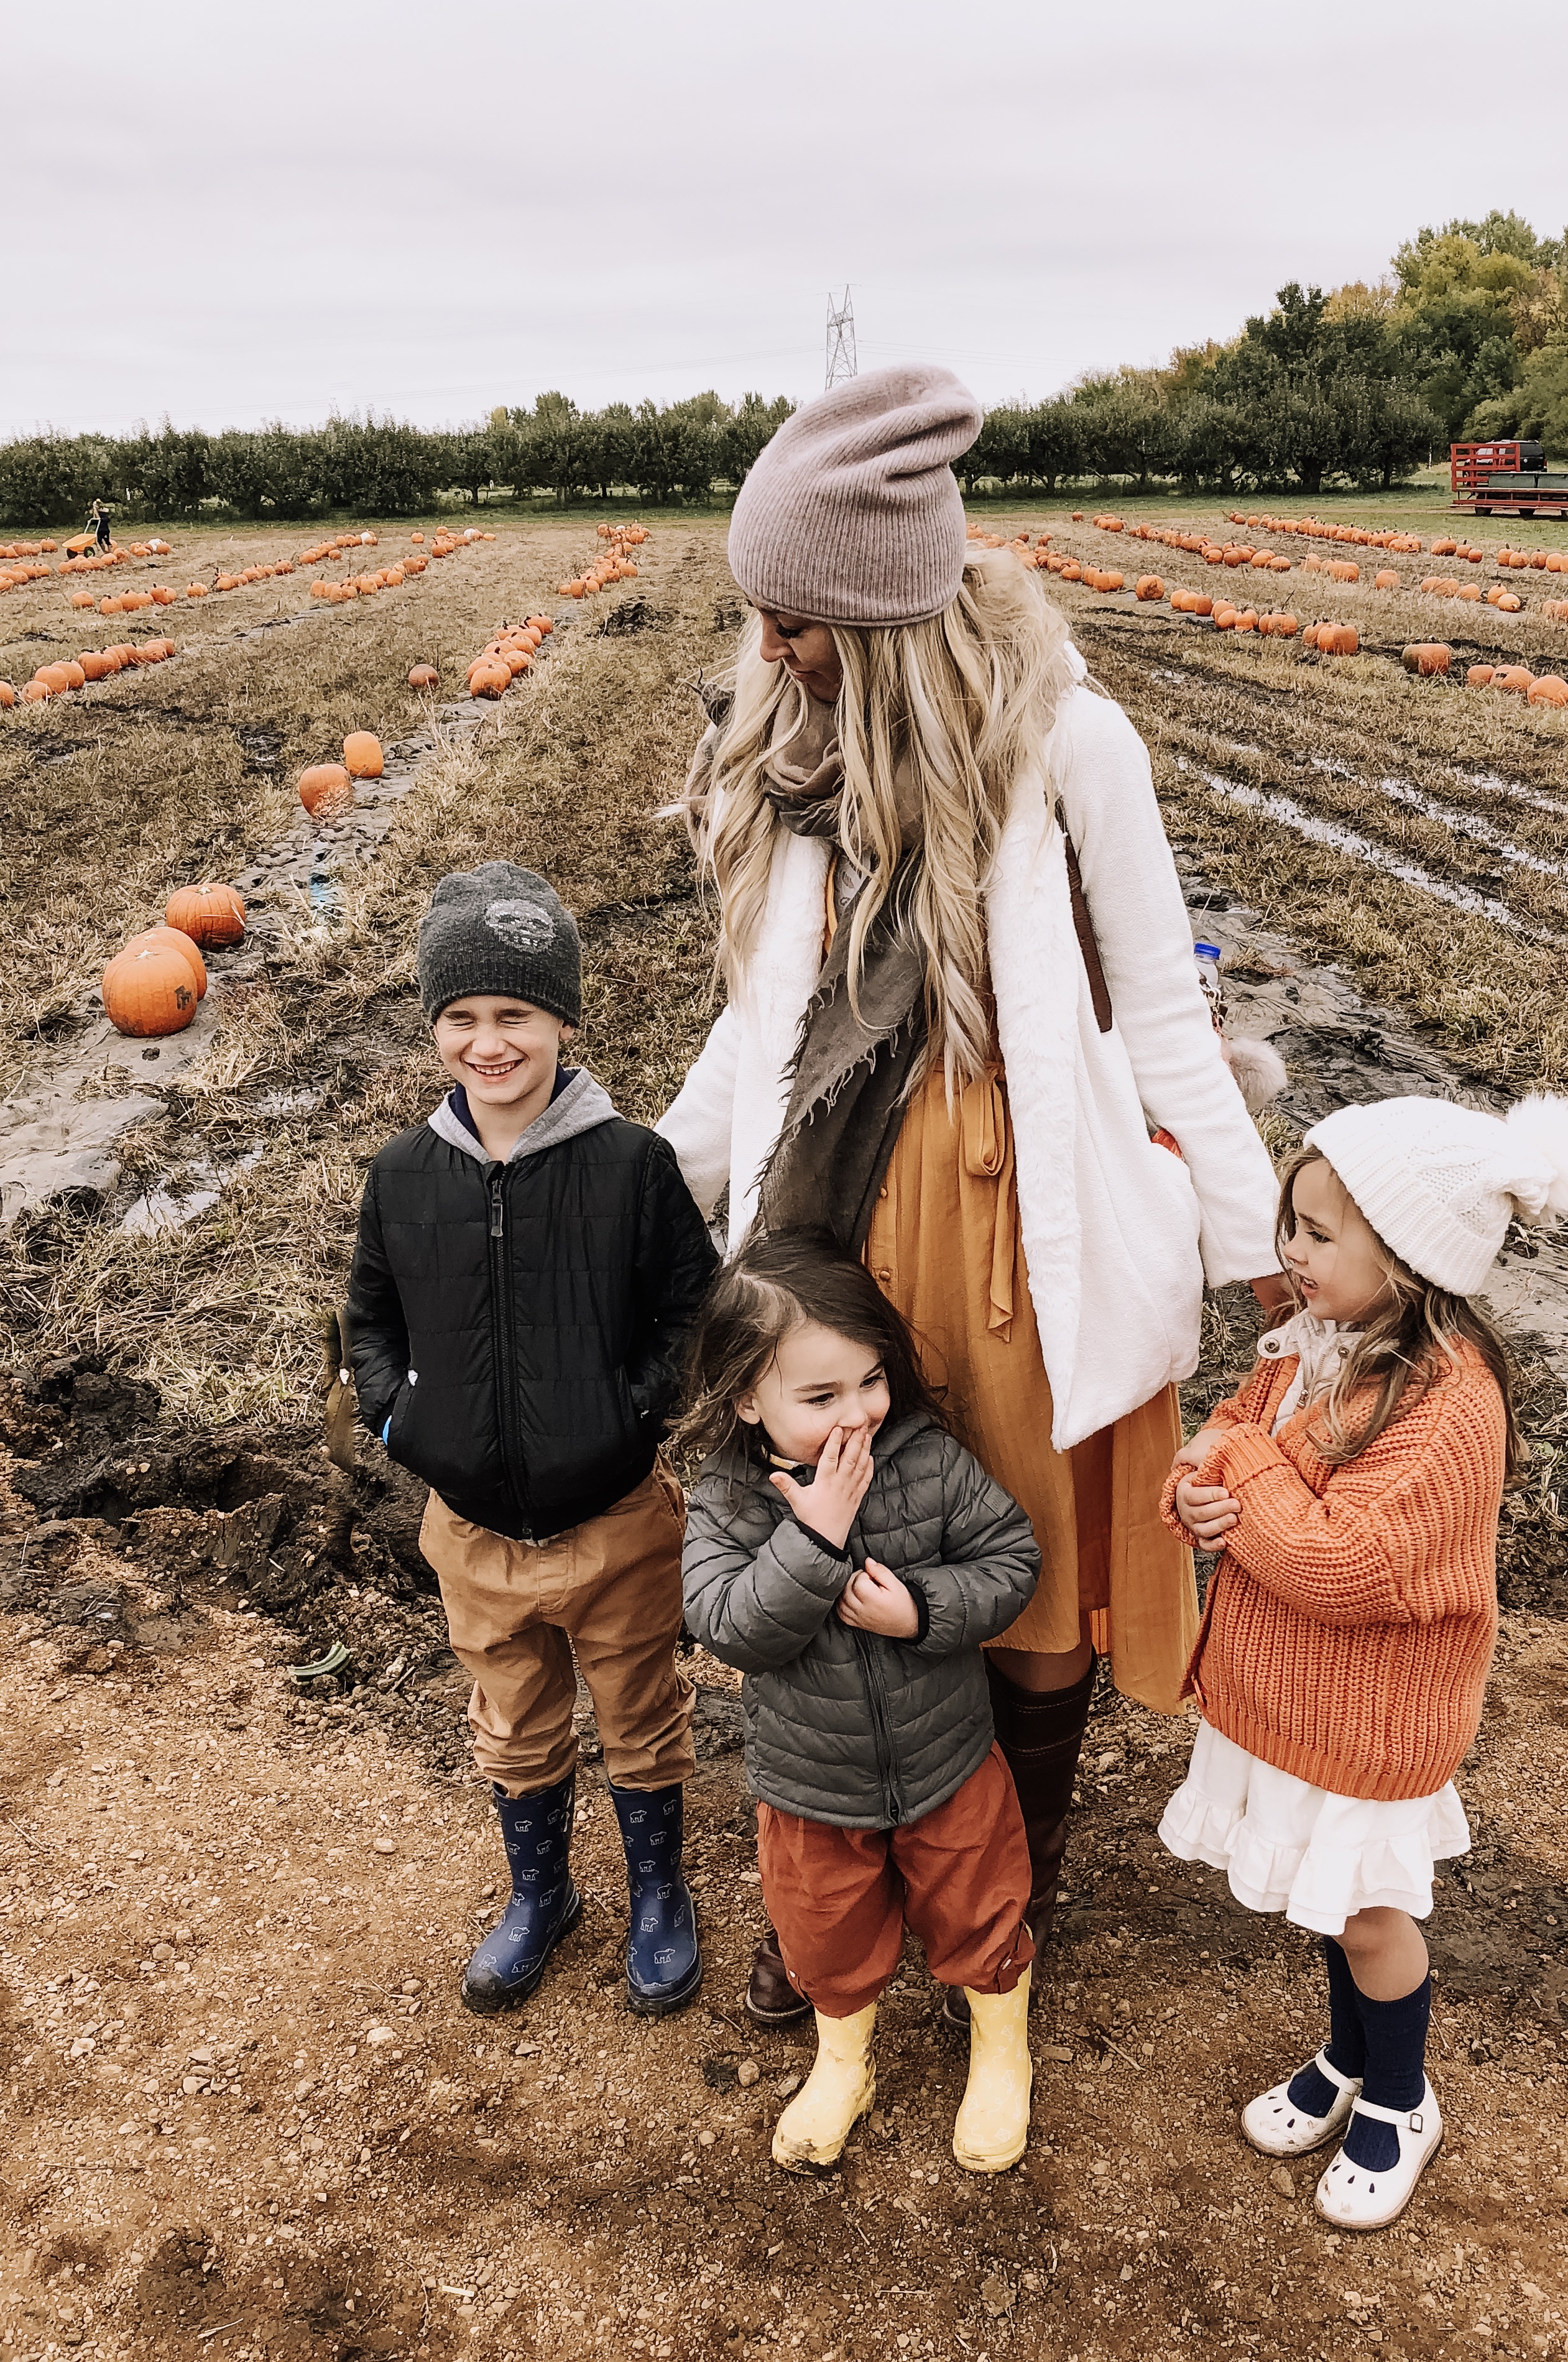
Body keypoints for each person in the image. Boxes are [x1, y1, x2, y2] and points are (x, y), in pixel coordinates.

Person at [657, 364, 1289, 2029]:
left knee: (1012, 1573)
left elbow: (1160, 1003)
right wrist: (653, 1188)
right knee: (834, 1533)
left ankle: (1008, 1899)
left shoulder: (1071, 744)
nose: (768, 645)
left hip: (1025, 1229)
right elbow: (761, 1024)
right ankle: (841, 1898)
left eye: (793, 614)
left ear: (876, 607)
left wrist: (1257, 1249)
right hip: (843, 1233)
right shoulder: (800, 756)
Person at [1157, 1092, 1568, 2230]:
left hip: (1368, 1726)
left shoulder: (1451, 1403)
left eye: (1319, 1234)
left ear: (1409, 1255)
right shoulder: (1320, 1345)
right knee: (1330, 1901)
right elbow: (1230, 1421)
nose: (1289, 1254)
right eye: (1291, 1225)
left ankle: (1401, 2098)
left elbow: (1340, 1566)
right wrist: (1198, 1483)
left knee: (1368, 1913)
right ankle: (1346, 2057)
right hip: (1286, 1706)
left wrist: (1247, 1475)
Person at [344, 861, 719, 2018]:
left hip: (613, 1514)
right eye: (461, 1017)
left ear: (562, 1017)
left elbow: (694, 1316)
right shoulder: (405, 1176)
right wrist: (402, 1418)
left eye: (515, 1013)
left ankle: (660, 1894)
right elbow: (369, 1315)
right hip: (471, 1526)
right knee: (512, 1719)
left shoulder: (631, 1166)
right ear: (434, 1028)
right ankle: (540, 1892)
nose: (488, 1042)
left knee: (639, 1710)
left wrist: (631, 1411)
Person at [678, 1230, 1041, 2174]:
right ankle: (844, 2063)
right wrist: (816, 1535)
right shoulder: (727, 1497)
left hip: (949, 1760)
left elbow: (1012, 1560)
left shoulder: (926, 1460)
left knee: (980, 1907)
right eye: (821, 1397)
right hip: (811, 1782)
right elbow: (727, 1626)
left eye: (871, 1381)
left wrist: (923, 1610)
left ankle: (1001, 2048)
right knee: (825, 1928)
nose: (859, 1415)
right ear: (747, 1399)